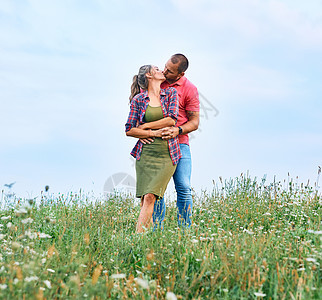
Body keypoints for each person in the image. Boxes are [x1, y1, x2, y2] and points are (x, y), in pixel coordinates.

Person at [141, 54, 200, 228]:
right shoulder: (158, 81)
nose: (165, 71)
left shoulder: (189, 89)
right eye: (165, 67)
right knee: (156, 188)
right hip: (157, 143)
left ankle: (185, 229)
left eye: (170, 71)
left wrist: (178, 130)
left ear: (180, 75)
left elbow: (195, 122)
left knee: (183, 186)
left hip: (180, 143)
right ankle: (157, 229)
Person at [125, 65, 181, 233]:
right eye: (157, 69)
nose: (161, 70)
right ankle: (144, 239)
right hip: (145, 155)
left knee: (151, 196)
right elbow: (129, 129)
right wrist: (153, 132)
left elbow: (172, 120)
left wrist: (147, 127)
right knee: (146, 199)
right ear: (149, 75)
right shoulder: (139, 100)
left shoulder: (170, 94)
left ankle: (136, 238)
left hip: (167, 154)